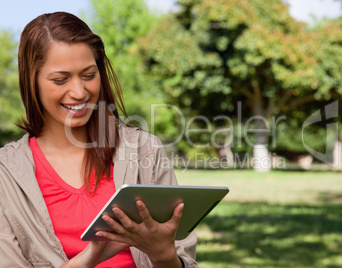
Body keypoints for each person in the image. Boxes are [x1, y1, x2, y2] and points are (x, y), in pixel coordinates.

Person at [0, 12, 197, 268]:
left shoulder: (144, 150)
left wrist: (163, 256)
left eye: (89, 75)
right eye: (60, 79)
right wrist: (87, 259)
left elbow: (186, 259)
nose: (79, 92)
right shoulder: (6, 172)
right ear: (31, 81)